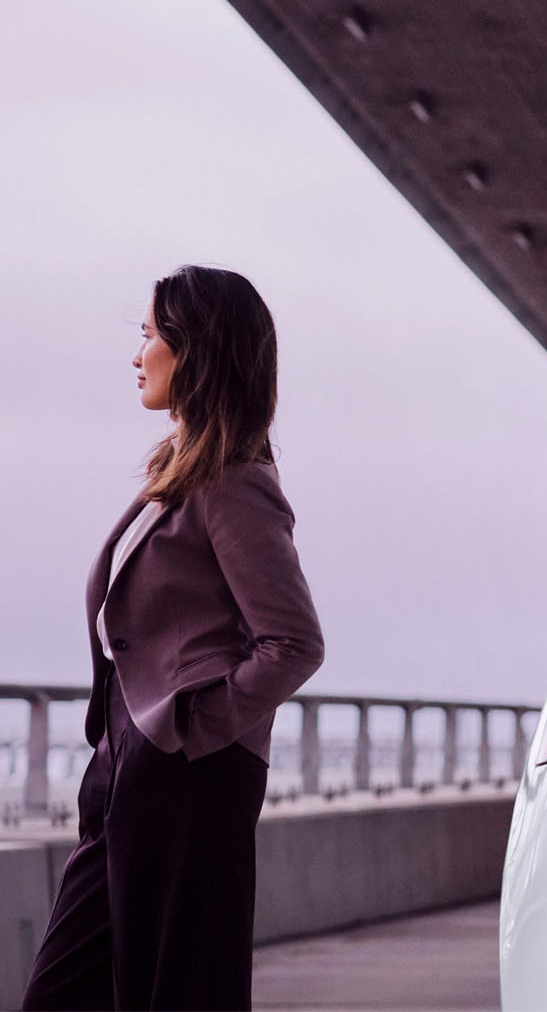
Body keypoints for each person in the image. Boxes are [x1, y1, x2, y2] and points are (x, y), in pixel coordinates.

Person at [23, 266, 325, 1011]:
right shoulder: (180, 472)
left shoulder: (234, 481)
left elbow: (293, 642)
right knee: (63, 991)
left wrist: (196, 730)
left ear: (196, 351)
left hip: (187, 773)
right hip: (125, 768)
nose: (138, 356)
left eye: (151, 337)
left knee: (180, 993)